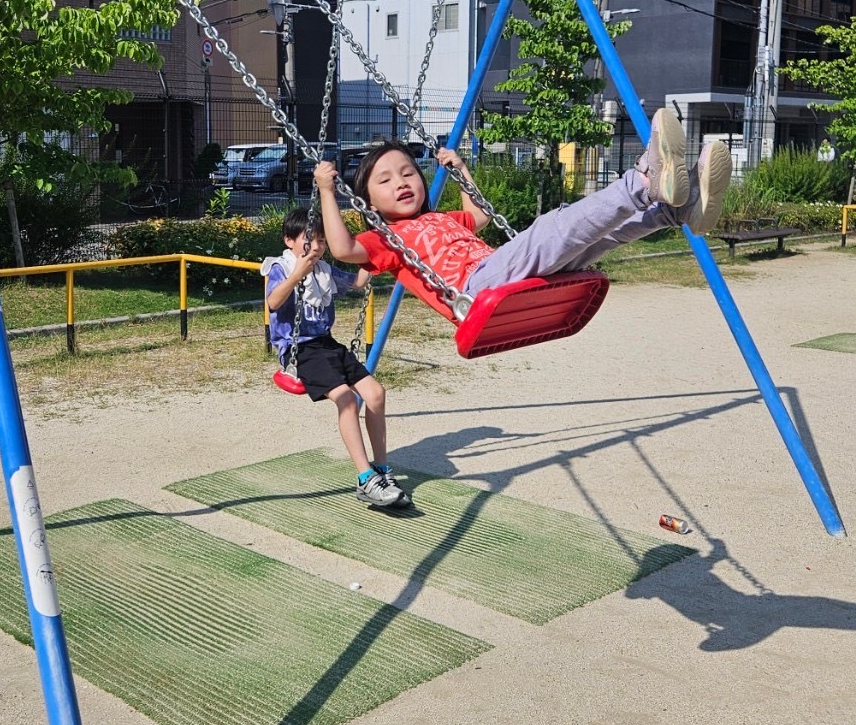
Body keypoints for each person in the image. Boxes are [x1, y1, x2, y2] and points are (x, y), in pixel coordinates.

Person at [312, 108, 732, 322]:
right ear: (366, 201)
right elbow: (343, 249)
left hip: (499, 271)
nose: (401, 182)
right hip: (474, 289)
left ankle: (672, 211)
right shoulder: (388, 239)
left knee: (590, 239)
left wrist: (461, 172)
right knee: (555, 226)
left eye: (407, 172)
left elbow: (477, 217)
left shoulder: (438, 220)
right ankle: (642, 182)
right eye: (385, 181)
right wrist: (328, 192)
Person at [262, 206, 409, 509]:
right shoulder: (280, 267)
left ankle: (382, 469)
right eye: (309, 240)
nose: (316, 247)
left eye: (322, 241)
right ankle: (365, 478)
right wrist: (298, 274)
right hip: (299, 349)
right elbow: (274, 302)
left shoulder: (325, 271)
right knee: (345, 399)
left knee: (376, 394)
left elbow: (358, 282)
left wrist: (375, 248)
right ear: (289, 240)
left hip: (327, 345)